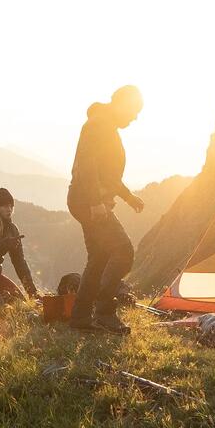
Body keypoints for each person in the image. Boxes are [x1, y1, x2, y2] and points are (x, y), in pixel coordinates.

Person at [67, 85, 145, 333]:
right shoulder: (99, 124)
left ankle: (80, 318)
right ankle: (104, 312)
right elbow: (87, 166)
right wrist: (95, 202)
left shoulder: (105, 124)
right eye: (133, 111)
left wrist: (128, 196)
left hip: (86, 200)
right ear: (121, 103)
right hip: (88, 201)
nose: (134, 118)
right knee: (123, 251)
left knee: (98, 258)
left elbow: (108, 174)